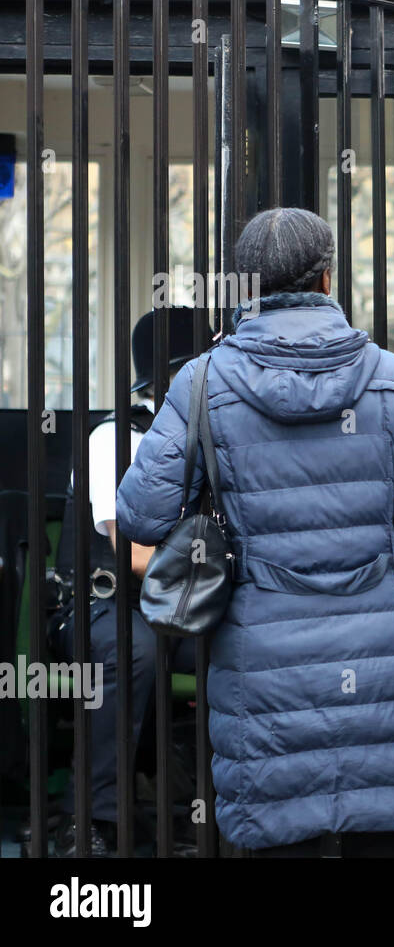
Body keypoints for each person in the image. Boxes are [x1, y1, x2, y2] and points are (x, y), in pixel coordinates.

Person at [115, 207, 394, 856]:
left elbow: (139, 516)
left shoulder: (203, 382)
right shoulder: (392, 380)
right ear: (329, 278)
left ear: (243, 286)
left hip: (261, 658)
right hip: (382, 650)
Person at [47, 307, 204, 857]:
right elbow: (135, 555)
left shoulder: (210, 437)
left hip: (183, 603)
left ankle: (215, 810)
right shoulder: (114, 438)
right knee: (134, 651)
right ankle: (92, 817)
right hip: (104, 606)